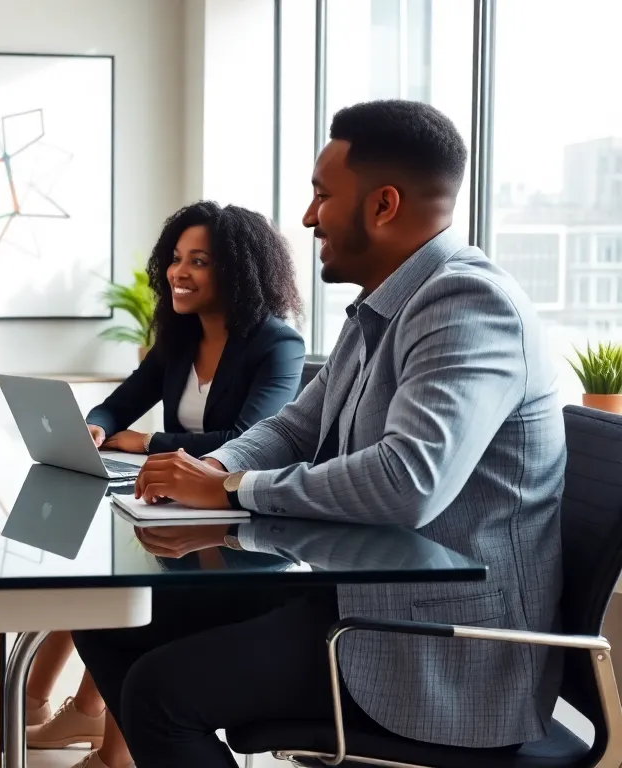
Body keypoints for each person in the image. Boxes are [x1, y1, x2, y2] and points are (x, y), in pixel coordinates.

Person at [71, 99, 565, 768]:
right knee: (111, 622)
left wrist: (232, 488)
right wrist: (206, 473)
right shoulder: (384, 308)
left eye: (322, 195)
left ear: (383, 204)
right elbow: (293, 427)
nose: (307, 218)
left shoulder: (466, 304)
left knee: (161, 694)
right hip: (355, 592)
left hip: (439, 641)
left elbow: (409, 481)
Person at [26, 201, 306, 768]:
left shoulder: (277, 344)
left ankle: (107, 744)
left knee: (116, 594)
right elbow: (118, 403)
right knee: (89, 573)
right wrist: (97, 427)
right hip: (172, 506)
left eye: (199, 261)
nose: (180, 271)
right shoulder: (178, 340)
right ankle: (73, 714)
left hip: (237, 526)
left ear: (238, 269)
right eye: (176, 258)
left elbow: (251, 439)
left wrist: (148, 442)